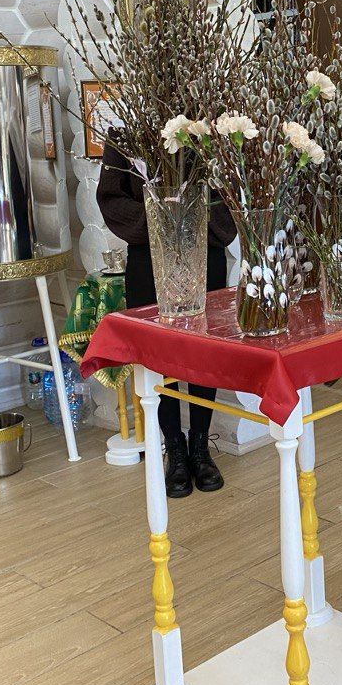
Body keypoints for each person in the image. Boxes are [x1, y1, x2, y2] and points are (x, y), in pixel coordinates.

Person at [96, 134, 234, 497]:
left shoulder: (211, 126)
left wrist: (193, 218)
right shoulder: (127, 131)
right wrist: (161, 219)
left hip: (205, 249)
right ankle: (174, 448)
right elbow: (110, 197)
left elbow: (232, 188)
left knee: (206, 351)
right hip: (148, 255)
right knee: (157, 355)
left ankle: (200, 446)